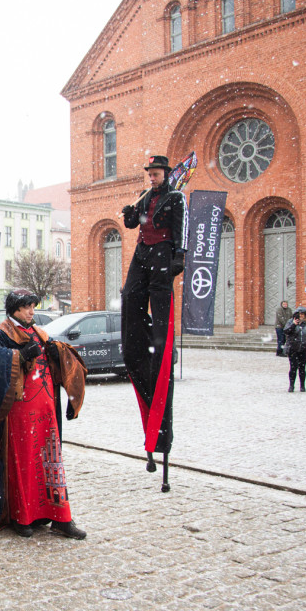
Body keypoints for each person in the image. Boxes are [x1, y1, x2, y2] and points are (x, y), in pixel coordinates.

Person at [0, 289, 88, 539]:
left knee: (51, 464)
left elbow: (58, 362)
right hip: (19, 417)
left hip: (46, 413)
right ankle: (21, 515)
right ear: (14, 309)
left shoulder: (39, 332)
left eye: (33, 307)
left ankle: (60, 517)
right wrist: (18, 356)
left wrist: (59, 353)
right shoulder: (1, 334)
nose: (31, 312)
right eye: (26, 307)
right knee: (23, 465)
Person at [120, 155, 186, 489]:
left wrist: (179, 255)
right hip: (142, 252)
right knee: (130, 296)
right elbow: (134, 225)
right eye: (150, 174)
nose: (152, 178)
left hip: (162, 251)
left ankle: (158, 342)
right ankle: (138, 335)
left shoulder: (175, 198)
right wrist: (129, 213)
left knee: (159, 300)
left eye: (156, 173)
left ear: (165, 174)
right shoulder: (146, 196)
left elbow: (180, 229)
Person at [283, 306, 306, 392]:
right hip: (293, 349)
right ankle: (291, 385)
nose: (301, 316)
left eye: (302, 314)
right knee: (293, 368)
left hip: (304, 349)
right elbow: (286, 331)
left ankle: (302, 385)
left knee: (302, 368)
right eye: (299, 314)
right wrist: (294, 324)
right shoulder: (291, 322)